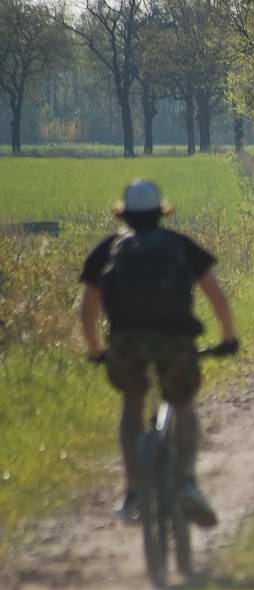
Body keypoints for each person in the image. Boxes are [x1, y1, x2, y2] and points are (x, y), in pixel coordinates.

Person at [78, 180, 239, 528]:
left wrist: (96, 350)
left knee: (132, 405)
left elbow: (87, 309)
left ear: (124, 213)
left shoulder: (109, 248)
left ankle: (134, 491)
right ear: (160, 212)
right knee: (182, 405)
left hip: (125, 342)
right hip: (176, 340)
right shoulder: (179, 245)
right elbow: (216, 295)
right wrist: (228, 338)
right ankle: (187, 483)